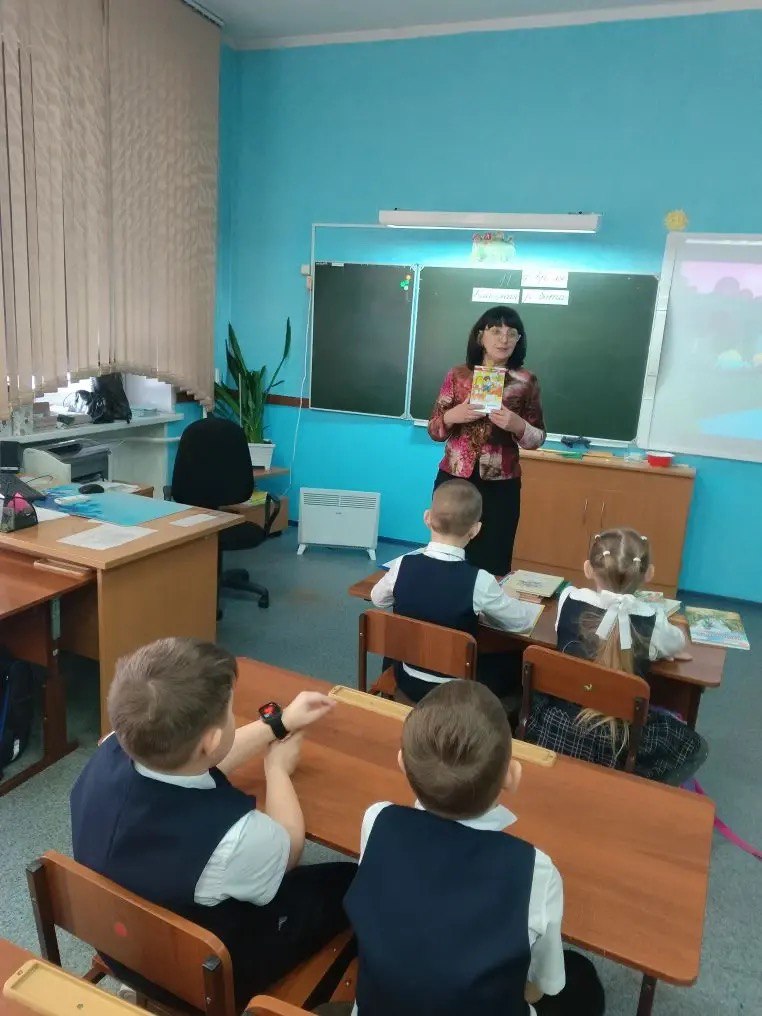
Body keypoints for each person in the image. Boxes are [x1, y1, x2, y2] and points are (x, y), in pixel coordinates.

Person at [70, 638, 356, 1006]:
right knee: (348, 881)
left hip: (121, 947)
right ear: (212, 738)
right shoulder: (233, 839)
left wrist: (278, 724)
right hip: (207, 976)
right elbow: (289, 847)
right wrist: (277, 770)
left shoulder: (112, 746)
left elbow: (199, 760)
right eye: (230, 712)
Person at [332, 681, 605, 1016]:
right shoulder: (536, 871)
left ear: (402, 763)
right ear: (512, 776)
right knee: (583, 982)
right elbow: (539, 987)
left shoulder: (377, 820)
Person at [524, 528, 709, 784]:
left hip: (557, 722)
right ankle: (639, 789)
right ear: (649, 573)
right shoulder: (652, 620)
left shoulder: (569, 598)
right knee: (694, 744)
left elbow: (560, 627)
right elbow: (677, 643)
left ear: (588, 568)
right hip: (619, 741)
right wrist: (660, 647)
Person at [370, 478, 536, 704]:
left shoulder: (402, 565)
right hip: (455, 690)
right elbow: (522, 623)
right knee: (519, 661)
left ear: (427, 518)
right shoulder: (480, 581)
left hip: (408, 679)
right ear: (475, 530)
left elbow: (378, 599)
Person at [428, 305, 546, 576]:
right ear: (481, 336)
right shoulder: (458, 375)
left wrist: (518, 425)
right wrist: (452, 417)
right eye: (496, 331)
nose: (504, 340)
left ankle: (485, 603)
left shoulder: (526, 381)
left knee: (494, 561)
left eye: (512, 333)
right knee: (446, 555)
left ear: (519, 340)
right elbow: (434, 430)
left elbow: (538, 437)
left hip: (501, 484)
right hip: (455, 478)